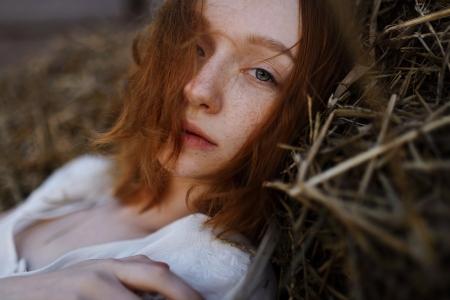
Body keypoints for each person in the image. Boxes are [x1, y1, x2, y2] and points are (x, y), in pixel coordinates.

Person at [0, 0, 354, 299]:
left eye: (262, 73)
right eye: (195, 46)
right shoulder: (86, 177)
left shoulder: (208, 270)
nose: (198, 89)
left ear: (313, 113)